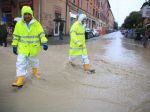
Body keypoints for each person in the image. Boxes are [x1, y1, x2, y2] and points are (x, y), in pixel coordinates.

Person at [11, 6, 48, 87]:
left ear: (31, 14)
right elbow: (16, 36)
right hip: (22, 48)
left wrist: (44, 42)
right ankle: (20, 80)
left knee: (34, 62)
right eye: (25, 14)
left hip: (33, 48)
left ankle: (35, 73)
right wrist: (14, 45)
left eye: (28, 14)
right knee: (20, 63)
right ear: (22, 15)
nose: (27, 16)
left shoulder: (36, 24)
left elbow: (41, 34)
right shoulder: (19, 24)